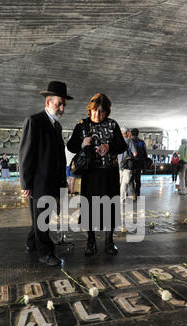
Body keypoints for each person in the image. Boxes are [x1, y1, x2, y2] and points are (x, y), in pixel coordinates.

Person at [19, 81, 72, 266]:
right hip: (39, 181)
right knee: (42, 218)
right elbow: (25, 154)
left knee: (42, 215)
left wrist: (62, 181)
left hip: (53, 181)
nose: (62, 108)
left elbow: (58, 156)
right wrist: (26, 183)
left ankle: (32, 243)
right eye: (59, 104)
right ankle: (45, 253)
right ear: (48, 102)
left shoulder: (56, 126)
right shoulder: (34, 121)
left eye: (64, 104)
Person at [67, 92, 127, 256]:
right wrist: (82, 143)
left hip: (109, 173)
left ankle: (109, 242)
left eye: (101, 111)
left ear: (107, 111)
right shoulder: (82, 124)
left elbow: (122, 146)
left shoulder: (113, 125)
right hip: (90, 173)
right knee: (90, 208)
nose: (97, 114)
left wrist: (109, 147)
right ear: (90, 109)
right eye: (95, 110)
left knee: (110, 207)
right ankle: (91, 242)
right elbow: (70, 146)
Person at [128, 128, 148, 199]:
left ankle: (132, 193)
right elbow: (145, 153)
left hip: (131, 162)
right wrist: (145, 161)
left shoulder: (129, 141)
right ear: (138, 133)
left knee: (131, 178)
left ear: (131, 133)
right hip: (139, 162)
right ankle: (138, 193)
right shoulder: (142, 142)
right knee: (138, 179)